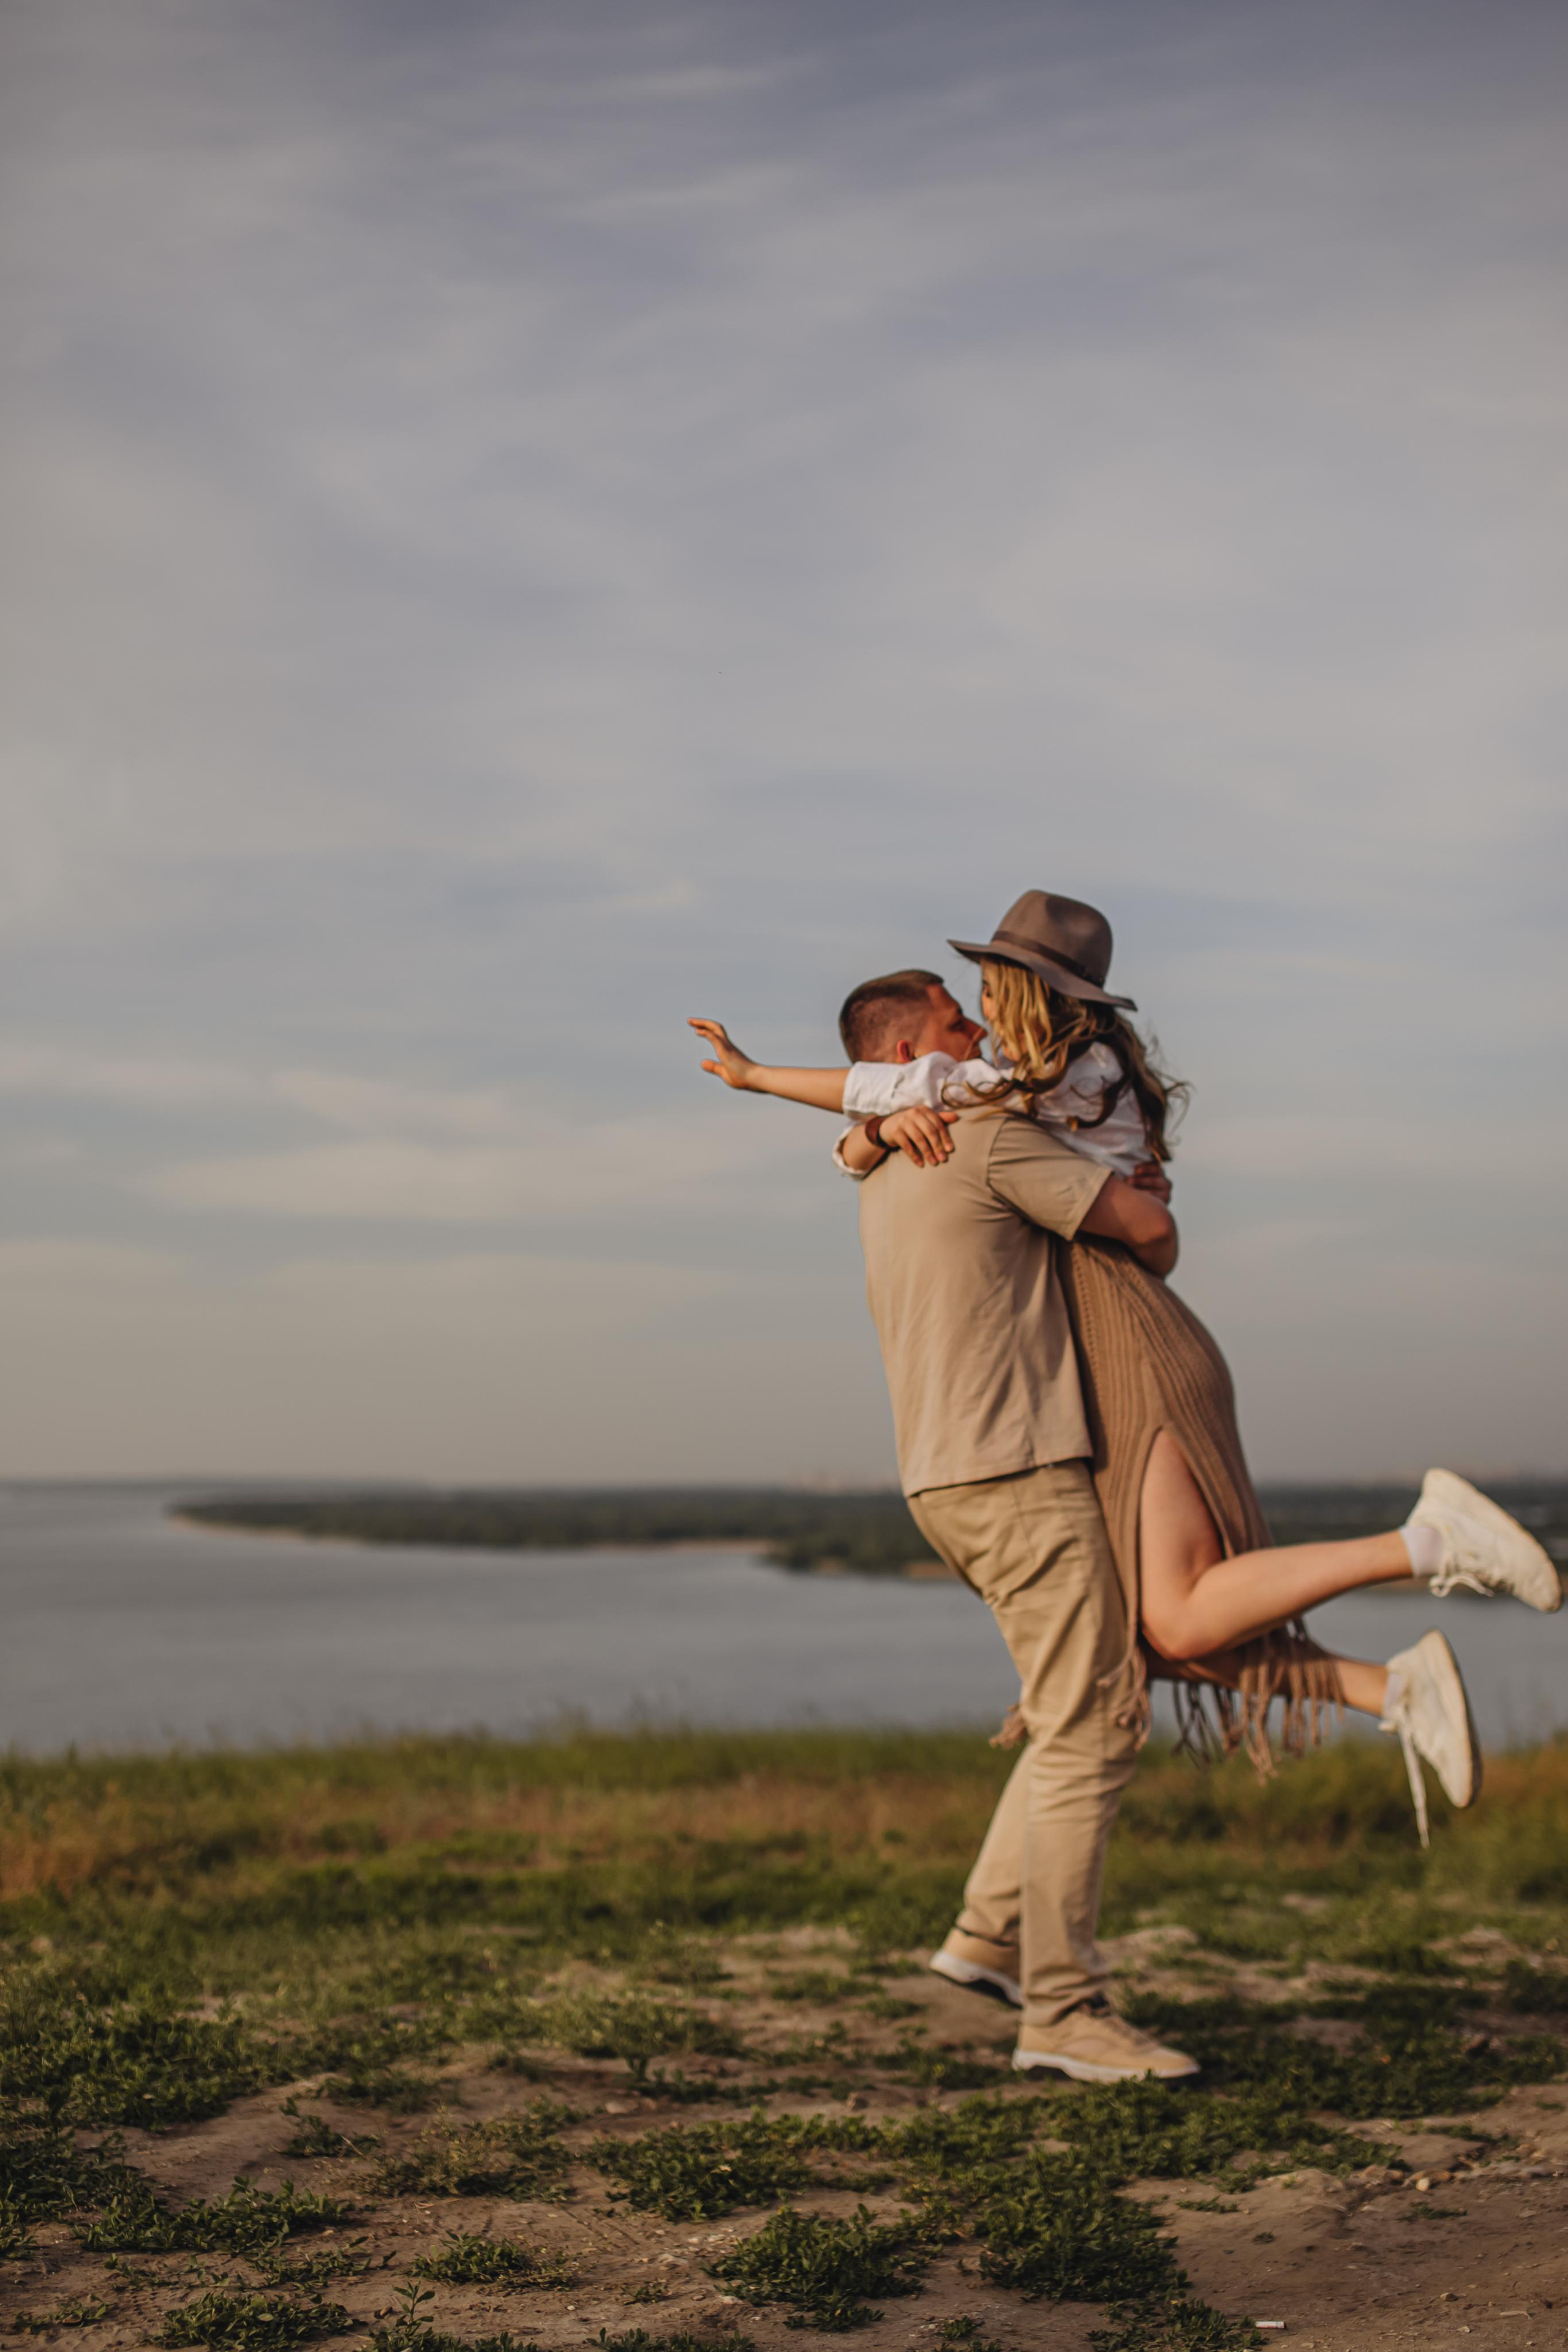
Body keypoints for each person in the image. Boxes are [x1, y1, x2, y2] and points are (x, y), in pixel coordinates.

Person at [689, 892, 1558, 1853]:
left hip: (1129, 1343)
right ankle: (1387, 1689)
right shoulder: (1026, 1078)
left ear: (1032, 992)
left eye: (987, 988)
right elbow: (885, 1099)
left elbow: (1142, 1229)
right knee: (1141, 1642)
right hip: (1093, 1360)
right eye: (962, 1001)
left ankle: (1429, 1542)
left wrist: (805, 1102)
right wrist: (864, 1137)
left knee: (1179, 1618)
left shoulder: (1050, 1077)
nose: (975, 1008)